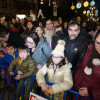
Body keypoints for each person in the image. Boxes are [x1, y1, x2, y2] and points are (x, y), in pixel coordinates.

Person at [74, 30, 100, 100]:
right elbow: (81, 65)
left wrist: (92, 92)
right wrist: (75, 77)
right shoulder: (90, 48)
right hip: (75, 89)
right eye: (98, 43)